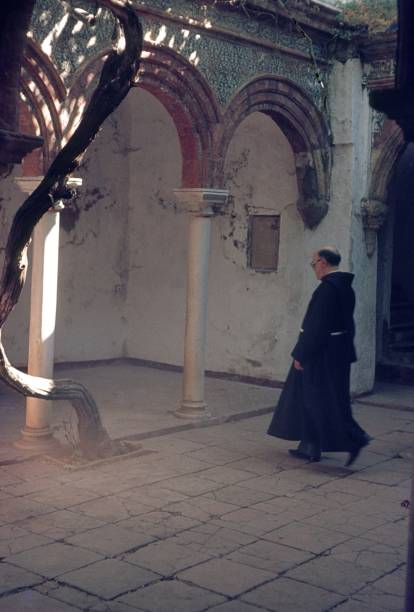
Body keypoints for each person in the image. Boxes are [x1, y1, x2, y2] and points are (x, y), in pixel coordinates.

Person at [267, 246, 370, 466]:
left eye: (313, 263)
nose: (313, 268)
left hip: (321, 355)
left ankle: (355, 439)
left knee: (322, 401)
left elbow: (316, 327)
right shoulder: (344, 288)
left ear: (323, 262)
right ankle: (310, 446)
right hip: (336, 353)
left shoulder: (326, 290)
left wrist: (300, 355)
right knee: (314, 399)